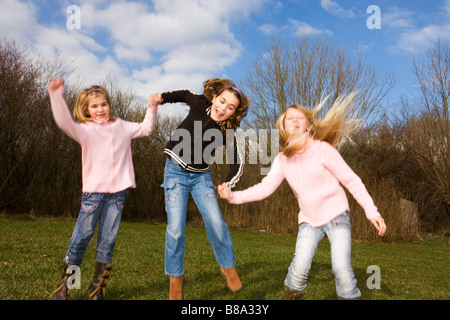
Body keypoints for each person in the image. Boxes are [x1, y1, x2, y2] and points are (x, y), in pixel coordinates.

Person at [218, 93, 387, 300]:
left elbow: (352, 180)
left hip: (337, 215)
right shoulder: (283, 160)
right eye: (290, 118)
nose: (296, 121)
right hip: (309, 220)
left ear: (307, 124)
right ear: (283, 126)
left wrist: (372, 211)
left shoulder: (323, 150)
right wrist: (233, 196)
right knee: (298, 271)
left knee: (341, 268)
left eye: (300, 118)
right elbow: (265, 188)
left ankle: (350, 296)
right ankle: (292, 294)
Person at [48, 79, 158, 300]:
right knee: (82, 237)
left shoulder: (122, 126)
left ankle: (96, 288)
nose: (100, 110)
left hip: (117, 194)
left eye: (103, 105)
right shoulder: (83, 130)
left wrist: (152, 106)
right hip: (93, 195)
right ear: (86, 109)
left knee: (108, 239)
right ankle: (66, 288)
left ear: (109, 105)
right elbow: (63, 121)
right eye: (94, 106)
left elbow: (146, 129)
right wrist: (56, 96)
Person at [150, 78, 250, 299]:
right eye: (221, 101)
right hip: (175, 172)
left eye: (230, 107)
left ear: (234, 113)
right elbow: (184, 93)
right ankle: (176, 279)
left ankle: (227, 266)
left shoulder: (228, 129)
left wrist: (227, 183)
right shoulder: (199, 102)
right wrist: (162, 98)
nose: (223, 108)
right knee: (175, 229)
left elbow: (237, 162)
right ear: (214, 98)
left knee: (216, 221)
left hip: (201, 177)